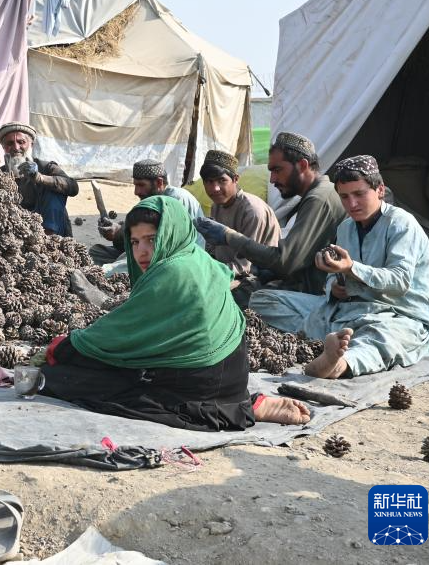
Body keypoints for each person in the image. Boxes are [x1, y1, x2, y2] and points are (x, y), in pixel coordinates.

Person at [43, 196, 310, 430]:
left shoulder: (172, 272)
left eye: (151, 239)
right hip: (231, 376)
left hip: (202, 381)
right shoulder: (198, 257)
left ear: (171, 234)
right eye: (134, 242)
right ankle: (243, 403)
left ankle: (237, 408)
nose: (142, 252)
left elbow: (119, 333)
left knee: (70, 378)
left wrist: (67, 345)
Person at [247, 156, 429, 379]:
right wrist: (334, 285)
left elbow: (399, 281)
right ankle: (330, 337)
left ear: (379, 190)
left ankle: (339, 363)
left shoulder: (401, 224)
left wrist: (351, 268)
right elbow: (336, 280)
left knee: (382, 337)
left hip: (398, 313)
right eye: (345, 197)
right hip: (350, 309)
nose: (352, 204)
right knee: (263, 300)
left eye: (359, 194)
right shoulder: (346, 227)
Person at [195, 132, 345, 296]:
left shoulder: (318, 198)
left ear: (302, 165)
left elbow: (285, 261)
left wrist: (228, 236)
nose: (272, 179)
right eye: (209, 182)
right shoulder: (316, 195)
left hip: (316, 294)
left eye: (277, 170)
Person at [195, 150, 281, 307]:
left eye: (221, 181)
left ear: (235, 179)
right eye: (209, 182)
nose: (215, 188)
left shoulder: (252, 210)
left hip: (257, 276)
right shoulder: (217, 206)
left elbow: (245, 265)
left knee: (209, 300)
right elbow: (215, 250)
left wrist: (212, 275)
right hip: (228, 271)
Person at [89, 158, 204, 267]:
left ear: (159, 183)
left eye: (141, 185)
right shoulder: (155, 200)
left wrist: (119, 234)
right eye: (135, 185)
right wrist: (117, 230)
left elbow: (160, 242)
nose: (136, 191)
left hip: (176, 258)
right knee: (97, 252)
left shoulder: (174, 199)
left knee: (113, 268)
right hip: (150, 250)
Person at [0, 123, 79, 237]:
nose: (16, 147)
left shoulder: (46, 167)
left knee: (54, 190)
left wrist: (40, 178)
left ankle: (48, 242)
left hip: (49, 228)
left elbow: (73, 187)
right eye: (10, 143)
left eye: (21, 142)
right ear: (3, 147)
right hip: (15, 232)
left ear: (31, 145)